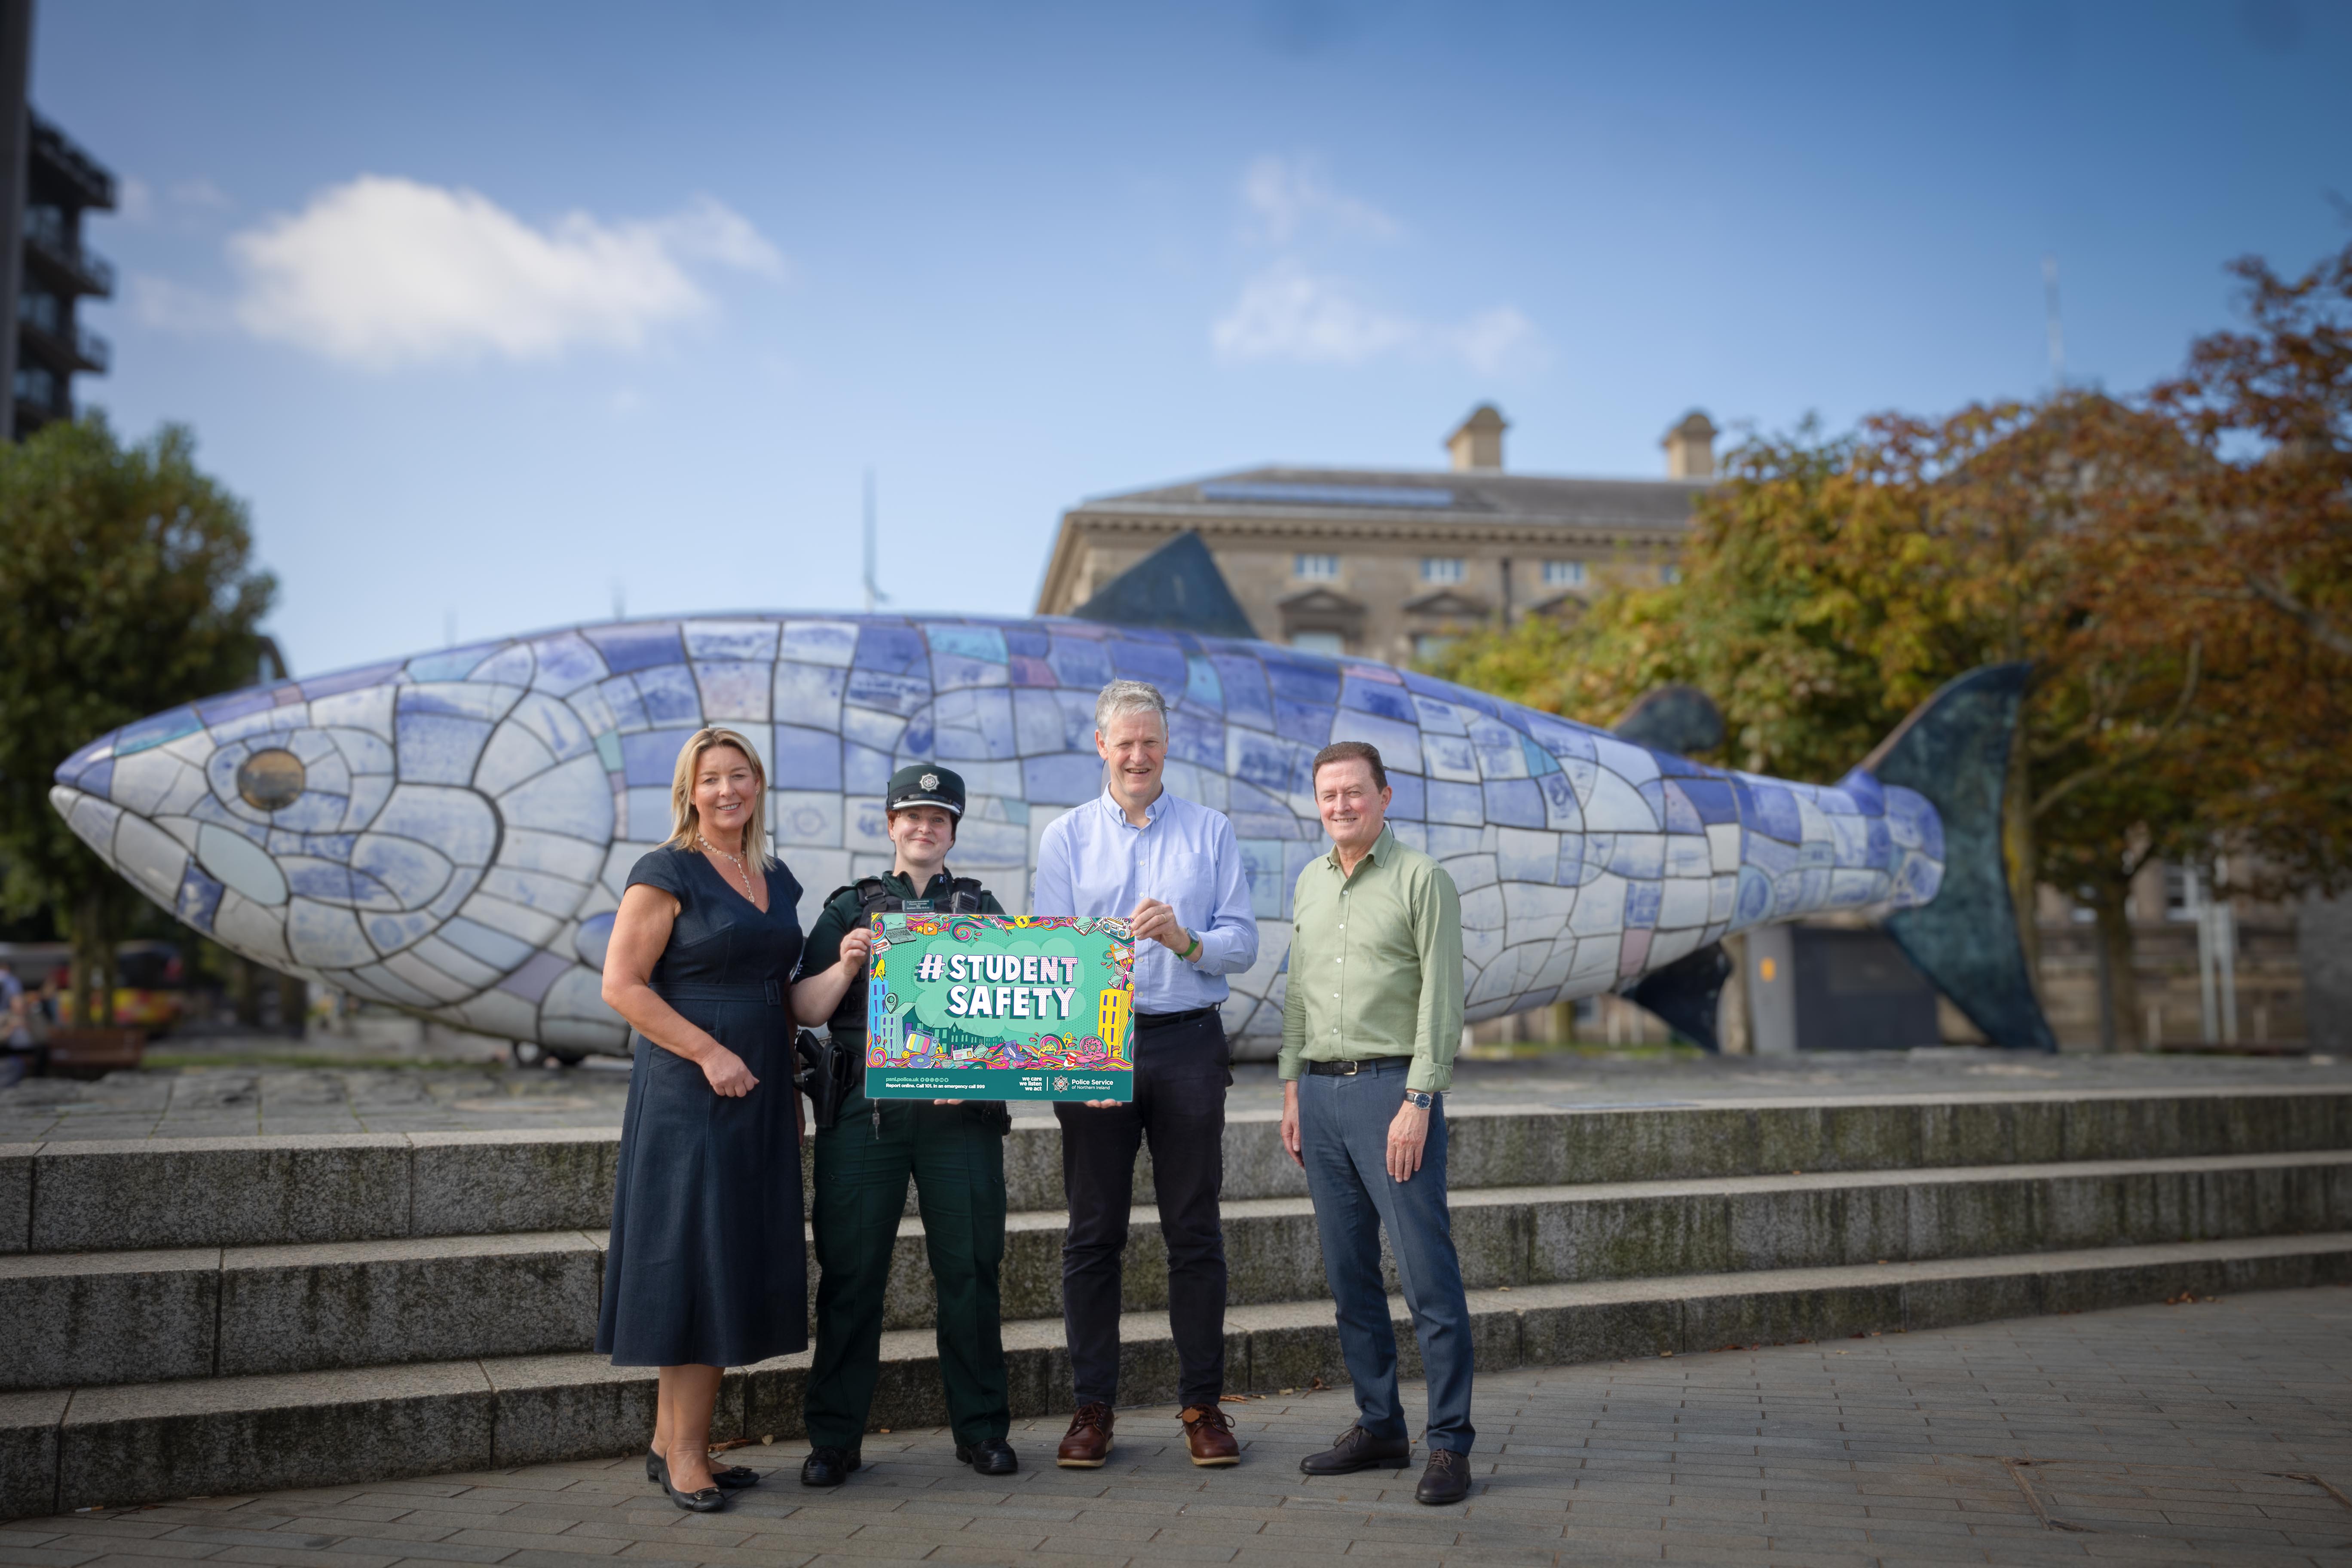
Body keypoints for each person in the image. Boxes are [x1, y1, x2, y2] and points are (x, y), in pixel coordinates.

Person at [1031, 678, 1259, 1469]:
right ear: (1101, 747)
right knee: (1093, 1234)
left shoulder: (1212, 832)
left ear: (1168, 747)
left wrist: (1188, 940)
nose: (1137, 755)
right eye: (1123, 742)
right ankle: (1092, 1409)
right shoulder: (1064, 838)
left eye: (1150, 742)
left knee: (1194, 1231)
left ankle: (1203, 1407)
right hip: (1097, 1045)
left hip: (1187, 1042)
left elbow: (1244, 941)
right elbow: (1051, 956)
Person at [596, 727, 807, 1514]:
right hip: (692, 1090)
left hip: (758, 1087)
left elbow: (782, 990)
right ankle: (686, 1455)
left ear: (758, 784)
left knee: (724, 1261)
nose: (727, 790)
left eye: (740, 775)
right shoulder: (665, 870)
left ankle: (671, 1443)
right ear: (690, 790)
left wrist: (785, 1084)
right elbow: (622, 985)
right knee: (691, 1259)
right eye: (711, 778)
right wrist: (709, 1053)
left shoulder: (774, 875)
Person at [790, 764, 1019, 1487]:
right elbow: (805, 1008)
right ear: (890, 825)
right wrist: (847, 964)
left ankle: (982, 1432)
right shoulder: (849, 907)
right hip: (866, 1111)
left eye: (939, 819)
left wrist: (981, 1071)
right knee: (851, 1276)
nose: (925, 828)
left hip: (962, 1112)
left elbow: (1018, 1012)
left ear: (953, 831)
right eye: (912, 816)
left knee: (972, 1271)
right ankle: (834, 1439)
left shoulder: (982, 907)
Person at [1279, 740, 1474, 1507]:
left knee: (1428, 1277)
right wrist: (1292, 1088)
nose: (1340, 806)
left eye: (1354, 792)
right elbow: (1297, 993)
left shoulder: (1424, 879)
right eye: (1328, 795)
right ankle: (1381, 1425)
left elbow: (1443, 1000)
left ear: (1384, 796)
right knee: (1350, 1277)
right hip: (1321, 1101)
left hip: (1393, 1093)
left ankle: (1451, 1443)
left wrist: (1420, 1100)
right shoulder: (1309, 883)